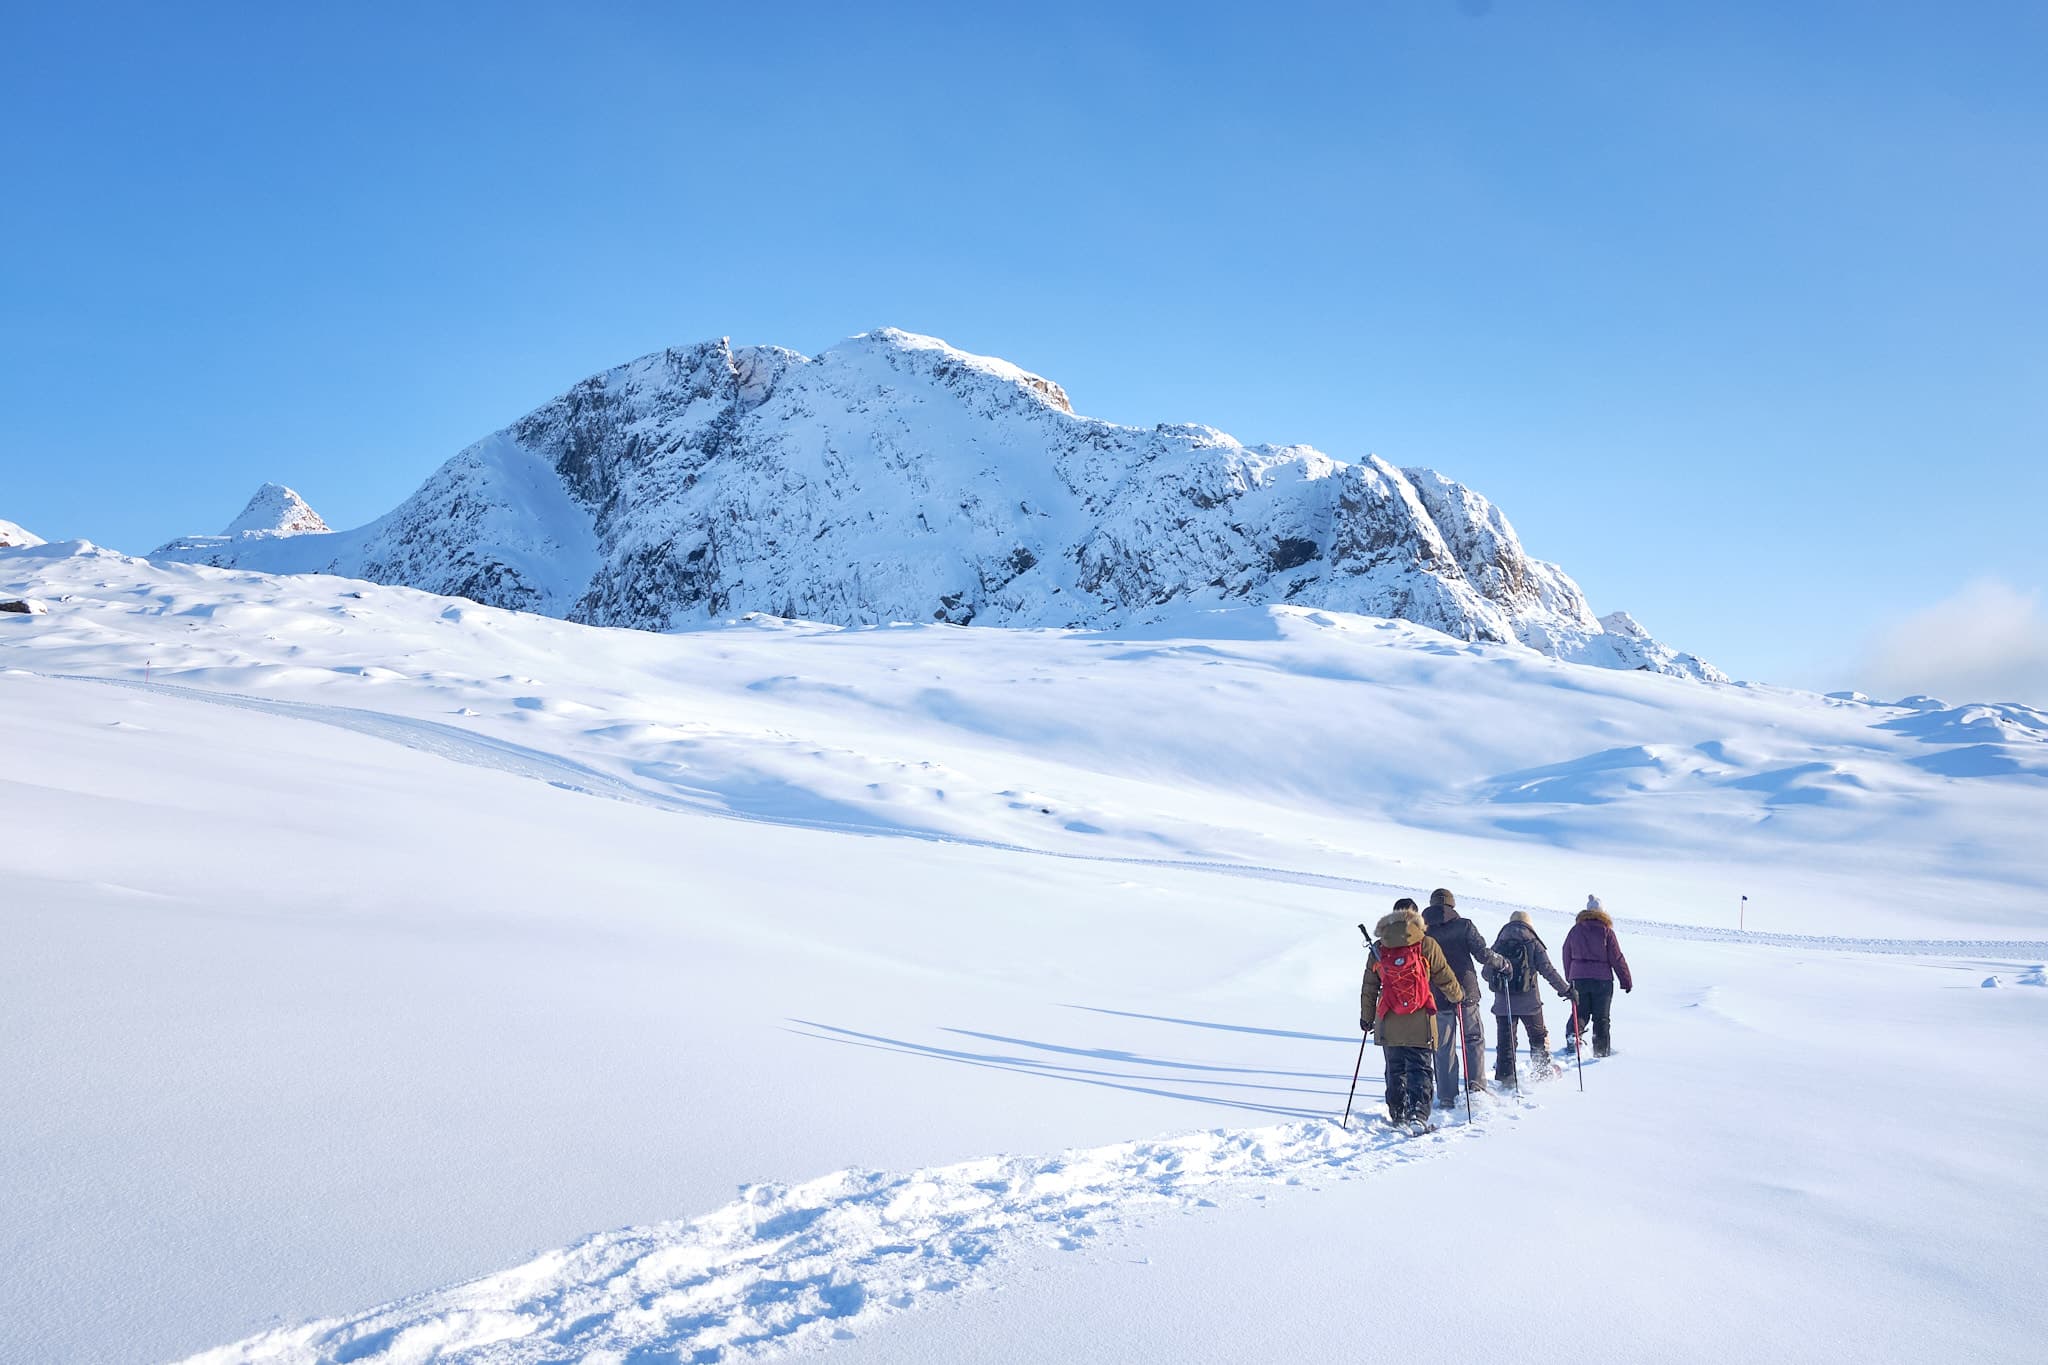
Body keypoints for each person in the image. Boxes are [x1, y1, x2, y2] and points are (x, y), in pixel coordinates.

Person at [1361, 898, 1464, 1131]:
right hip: (1421, 1017)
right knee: (1420, 1066)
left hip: (1388, 1017)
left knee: (1395, 1066)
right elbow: (1444, 975)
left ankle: (1398, 1114)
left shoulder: (1379, 948)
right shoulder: (1426, 943)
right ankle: (1418, 1114)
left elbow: (1369, 986)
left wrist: (1367, 1017)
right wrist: (1457, 996)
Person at [1421, 888, 1508, 1107]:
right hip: (1466, 990)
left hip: (1438, 993)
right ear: (1452, 905)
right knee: (1473, 1039)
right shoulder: (1465, 925)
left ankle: (1447, 1096)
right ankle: (1476, 1088)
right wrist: (1502, 963)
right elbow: (1482, 954)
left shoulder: (1424, 931)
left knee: (1443, 1044)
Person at [1487, 910, 1574, 1083]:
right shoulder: (1533, 942)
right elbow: (1548, 970)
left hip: (1504, 1004)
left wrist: (1500, 981)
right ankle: (1542, 1073)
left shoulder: (1499, 943)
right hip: (1530, 1002)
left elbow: (1485, 972)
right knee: (1537, 1036)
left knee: (1506, 1042)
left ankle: (1505, 1078)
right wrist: (1566, 990)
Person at [1562, 895, 1633, 1057]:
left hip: (1579, 979)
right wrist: (1626, 980)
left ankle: (1574, 1037)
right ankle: (1601, 1053)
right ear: (1603, 912)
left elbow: (1566, 953)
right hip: (1603, 981)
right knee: (1601, 1018)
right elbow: (1617, 957)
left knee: (1580, 1012)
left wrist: (1570, 977)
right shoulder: (1607, 932)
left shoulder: (1575, 930)